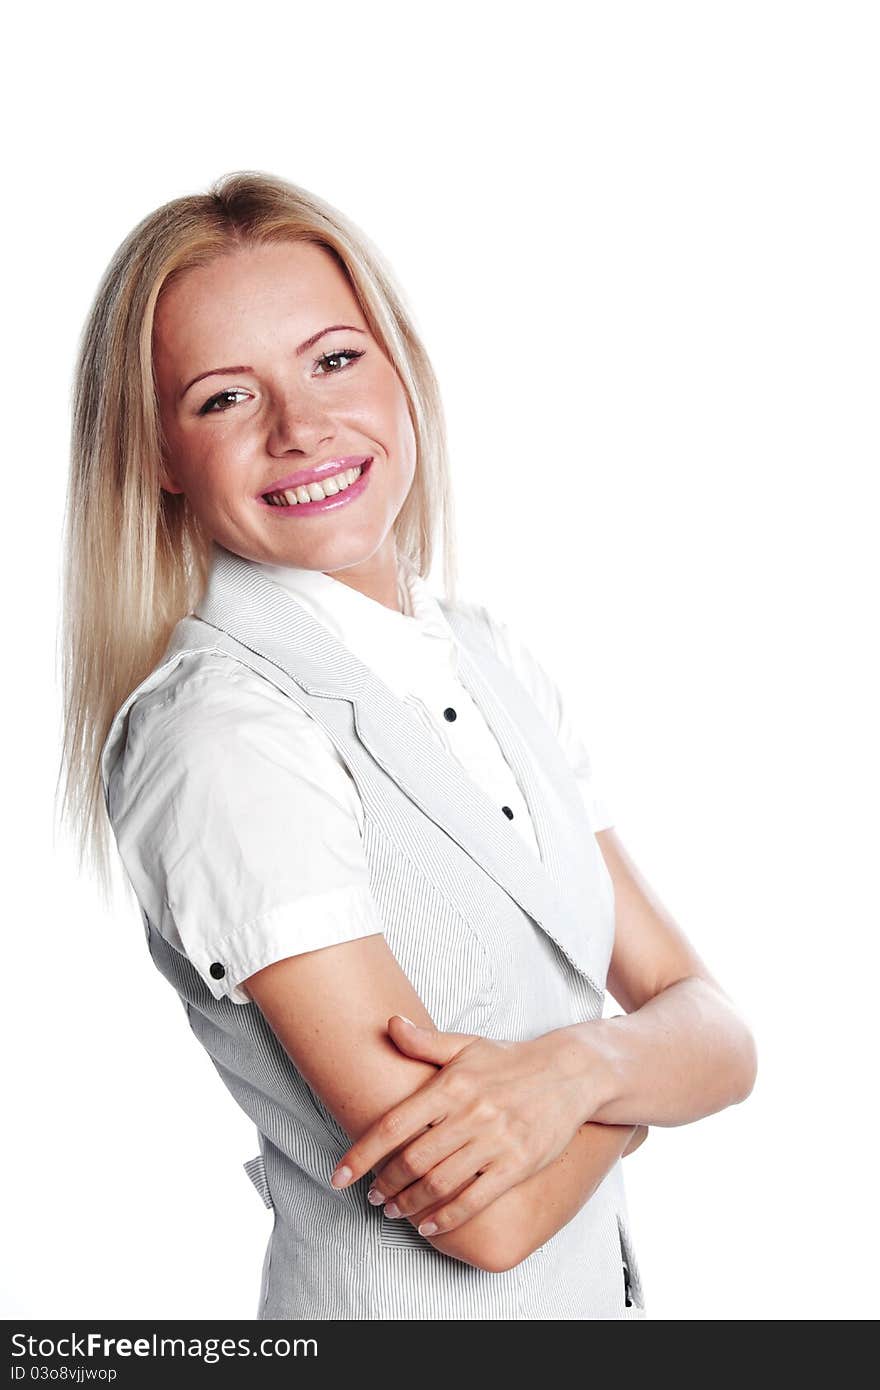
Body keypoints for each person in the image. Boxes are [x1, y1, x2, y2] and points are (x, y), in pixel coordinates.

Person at [58, 170, 758, 1320]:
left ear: (399, 372)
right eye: (225, 398)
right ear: (158, 457)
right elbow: (485, 1219)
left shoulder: (485, 656)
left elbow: (721, 1027)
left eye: (334, 360)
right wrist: (650, 1073)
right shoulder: (222, 737)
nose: (301, 427)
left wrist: (578, 1073)